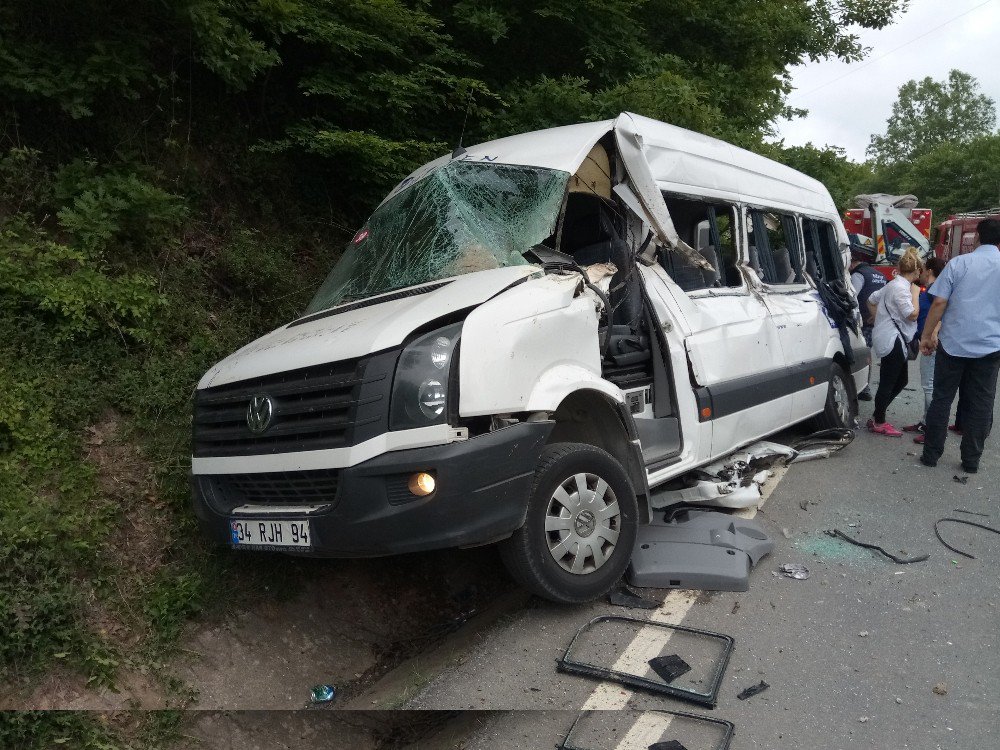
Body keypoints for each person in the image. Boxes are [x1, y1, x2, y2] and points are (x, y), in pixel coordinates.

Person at [919, 219, 1000, 472]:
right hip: (990, 347)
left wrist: (927, 335)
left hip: (954, 345)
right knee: (981, 403)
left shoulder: (958, 264)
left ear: (976, 237)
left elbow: (939, 303)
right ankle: (971, 461)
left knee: (942, 398)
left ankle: (931, 455)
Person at [865, 248, 922, 436]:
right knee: (888, 382)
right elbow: (912, 315)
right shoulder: (901, 287)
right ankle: (879, 421)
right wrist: (915, 294)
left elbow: (871, 300)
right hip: (892, 340)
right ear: (917, 271)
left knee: (901, 379)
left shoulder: (893, 284)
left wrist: (878, 318)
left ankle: (877, 416)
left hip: (890, 337)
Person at [904, 256, 948, 441]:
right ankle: (925, 422)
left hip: (932, 342)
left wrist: (931, 335)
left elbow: (941, 312)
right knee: (930, 385)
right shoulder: (937, 289)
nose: (920, 273)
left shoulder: (933, 290)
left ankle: (931, 428)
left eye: (922, 270)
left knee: (929, 385)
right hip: (933, 340)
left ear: (929, 271)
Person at [850, 248, 888, 400]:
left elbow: (852, 296)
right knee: (867, 352)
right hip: (877, 320)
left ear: (852, 262)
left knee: (860, 352)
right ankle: (865, 386)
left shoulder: (858, 275)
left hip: (863, 321)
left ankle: (863, 387)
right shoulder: (880, 275)